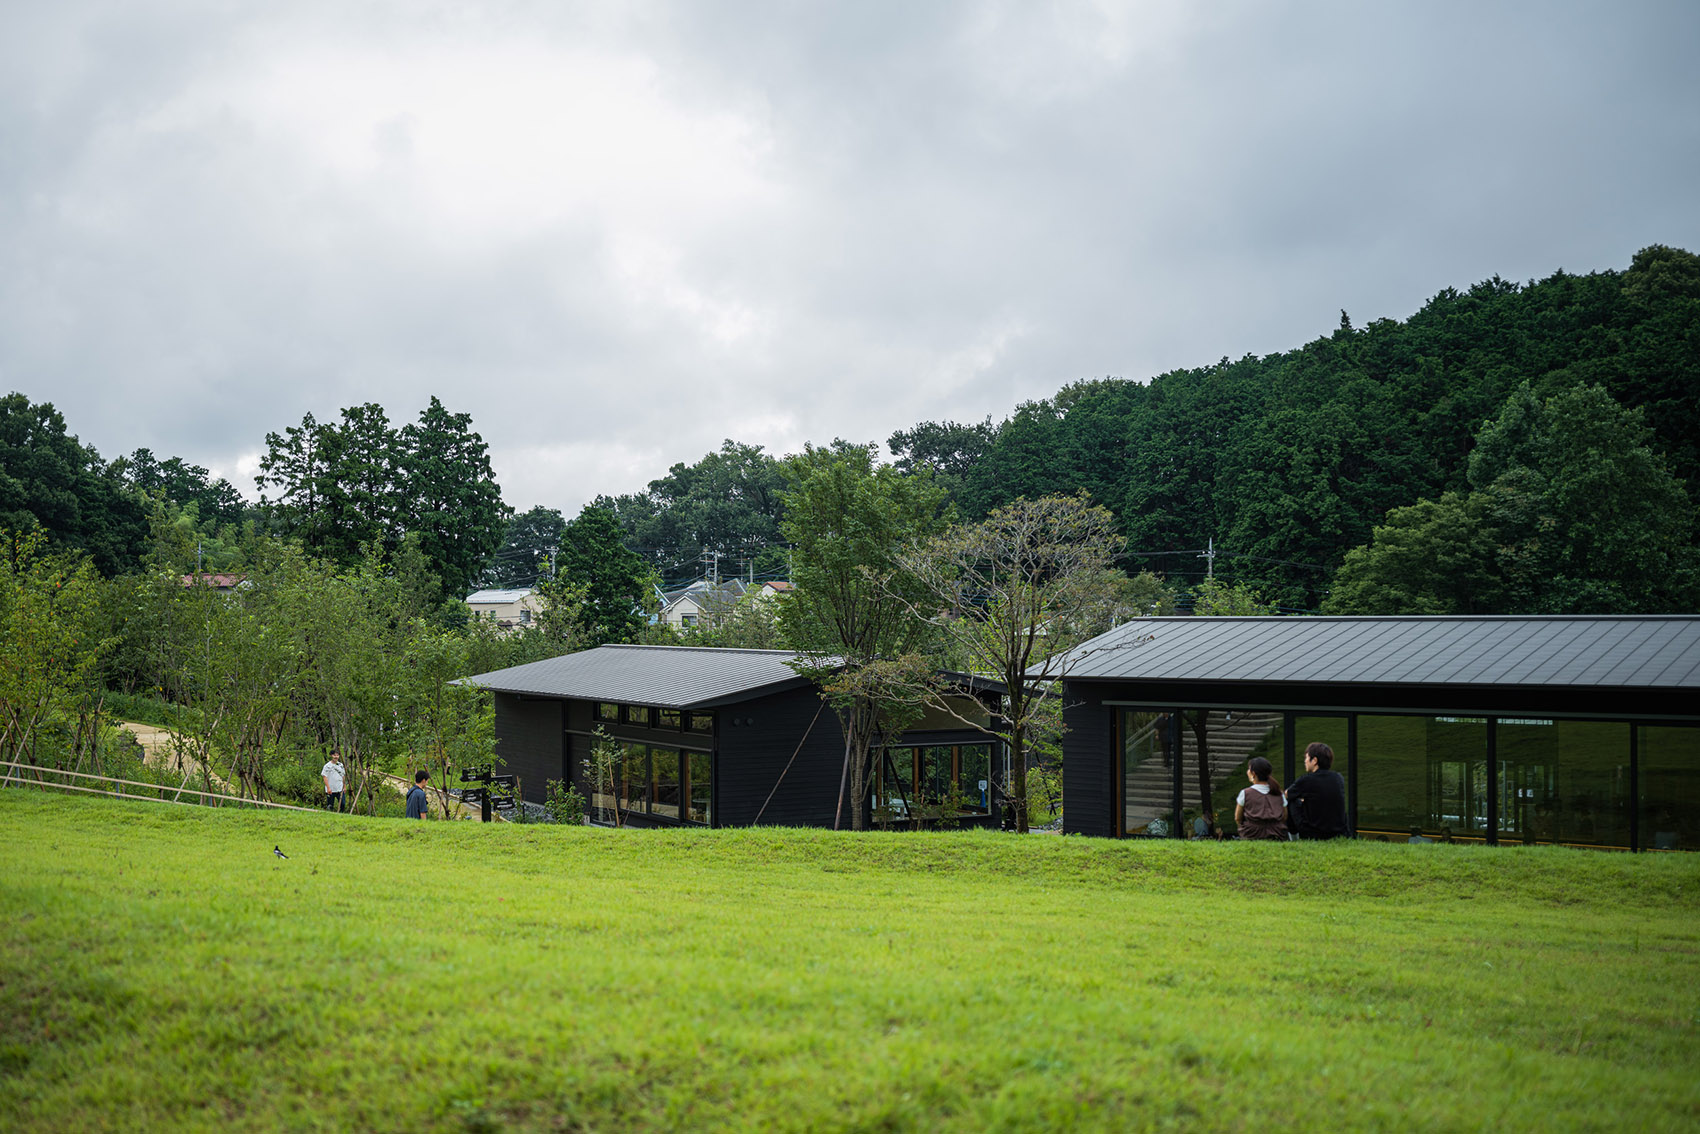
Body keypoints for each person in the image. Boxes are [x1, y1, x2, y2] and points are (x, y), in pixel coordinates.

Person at [1284, 741, 1349, 840]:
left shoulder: (1307, 780)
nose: (1305, 761)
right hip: (1338, 831)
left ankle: (1293, 838)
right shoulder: (1338, 778)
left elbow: (1287, 794)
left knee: (1292, 800)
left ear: (1314, 760)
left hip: (1313, 832)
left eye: (1306, 758)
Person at [1234, 756, 1288, 840]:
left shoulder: (1245, 793)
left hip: (1251, 834)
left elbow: (1238, 818)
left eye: (1249, 769)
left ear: (1253, 774)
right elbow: (1284, 816)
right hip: (1277, 833)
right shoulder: (1279, 793)